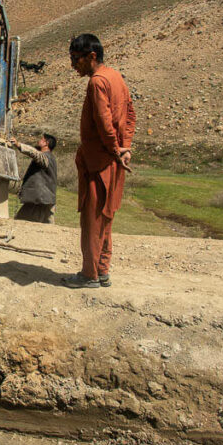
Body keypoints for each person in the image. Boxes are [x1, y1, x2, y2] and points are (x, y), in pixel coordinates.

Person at [63, 33, 136, 289]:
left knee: (93, 220)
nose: (73, 65)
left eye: (75, 59)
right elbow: (129, 114)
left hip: (99, 161)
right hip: (113, 160)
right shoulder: (116, 77)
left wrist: (116, 149)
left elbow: (105, 123)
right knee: (106, 218)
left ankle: (89, 275)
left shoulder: (97, 82)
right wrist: (124, 148)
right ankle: (102, 270)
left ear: (91, 56)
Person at [9, 133, 58, 223]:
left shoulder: (47, 157)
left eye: (41, 139)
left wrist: (18, 145)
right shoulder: (52, 158)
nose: (38, 141)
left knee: (21, 224)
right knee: (48, 231)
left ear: (46, 143)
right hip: (47, 201)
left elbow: (36, 154)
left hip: (39, 201)